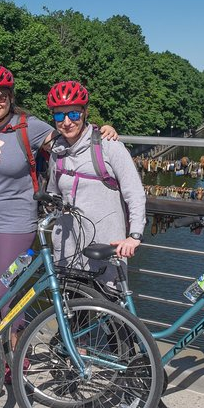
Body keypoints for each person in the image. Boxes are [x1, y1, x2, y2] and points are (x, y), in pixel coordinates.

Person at [0, 66, 117, 381]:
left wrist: (101, 131)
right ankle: (7, 346)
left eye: (0, 96)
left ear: (11, 97)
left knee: (6, 287)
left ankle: (14, 353)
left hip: (16, 221)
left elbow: (68, 138)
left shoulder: (29, 127)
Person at [45, 80, 146, 285]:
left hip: (106, 248)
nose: (66, 122)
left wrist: (135, 235)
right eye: (59, 115)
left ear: (85, 113)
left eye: (73, 114)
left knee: (111, 311)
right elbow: (53, 193)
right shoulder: (57, 152)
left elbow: (134, 192)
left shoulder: (108, 145)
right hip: (68, 251)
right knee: (71, 313)